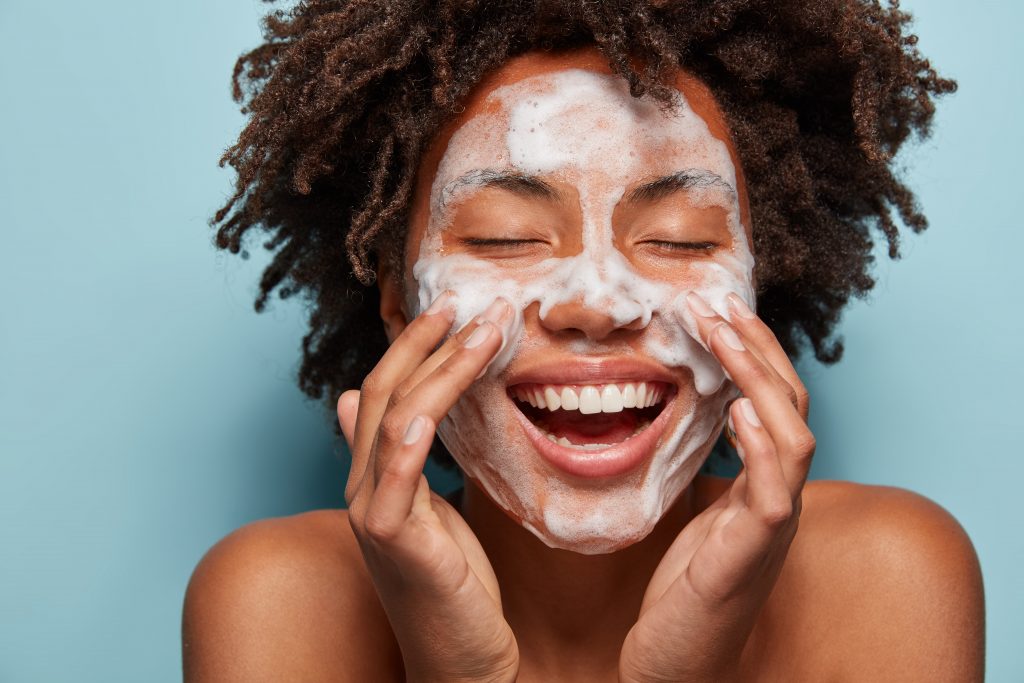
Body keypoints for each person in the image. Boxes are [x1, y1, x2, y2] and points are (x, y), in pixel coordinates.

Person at [182, 2, 984, 680]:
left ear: (753, 291)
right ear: (398, 301)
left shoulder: (888, 578)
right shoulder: (277, 601)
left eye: (679, 240)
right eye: (505, 238)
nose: (596, 303)